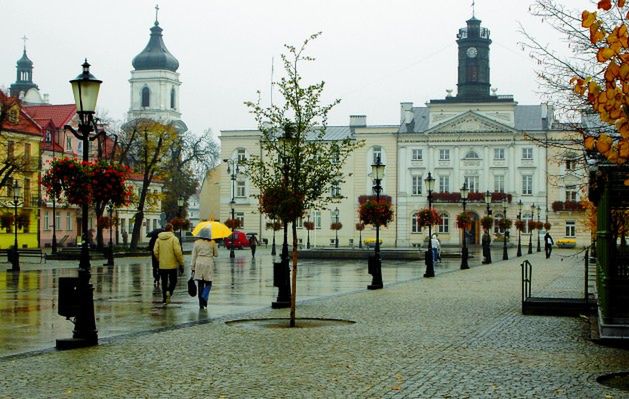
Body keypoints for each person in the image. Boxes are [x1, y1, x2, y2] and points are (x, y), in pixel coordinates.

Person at [153, 223, 184, 305]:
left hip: (162, 265)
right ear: (171, 229)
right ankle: (169, 292)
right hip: (172, 265)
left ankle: (164, 298)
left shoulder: (158, 239)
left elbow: (155, 251)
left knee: (164, 281)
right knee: (173, 281)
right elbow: (178, 252)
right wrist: (181, 263)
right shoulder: (174, 239)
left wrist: (159, 259)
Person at [190, 227, 218, 310]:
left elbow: (193, 256)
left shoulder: (196, 243)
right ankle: (204, 297)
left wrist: (192, 267)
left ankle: (201, 304)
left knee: (200, 284)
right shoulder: (212, 242)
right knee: (209, 283)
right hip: (208, 263)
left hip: (199, 263)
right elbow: (216, 254)